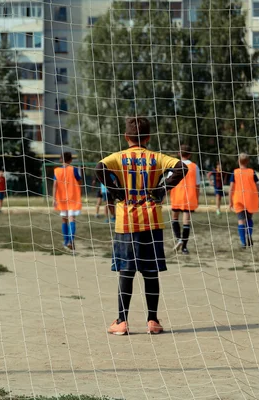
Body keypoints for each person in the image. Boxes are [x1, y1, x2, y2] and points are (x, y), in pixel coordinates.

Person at [96, 116, 187, 336]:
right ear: (148, 137)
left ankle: (121, 322)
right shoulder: (156, 158)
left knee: (126, 273)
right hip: (152, 222)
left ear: (126, 137)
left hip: (125, 223)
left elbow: (99, 168)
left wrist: (115, 190)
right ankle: (153, 321)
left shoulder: (119, 157)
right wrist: (162, 188)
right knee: (151, 273)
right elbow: (181, 168)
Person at [169, 145, 200, 255]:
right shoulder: (194, 167)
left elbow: (169, 181)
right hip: (189, 197)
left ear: (179, 153)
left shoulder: (174, 165)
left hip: (176, 196)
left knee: (174, 218)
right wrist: (197, 198)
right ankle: (184, 248)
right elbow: (197, 185)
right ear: (190, 154)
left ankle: (179, 239)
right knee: (186, 221)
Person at [229, 153, 259, 248]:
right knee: (249, 219)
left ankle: (243, 242)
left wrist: (230, 201)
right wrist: (258, 196)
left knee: (241, 221)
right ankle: (249, 235)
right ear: (248, 162)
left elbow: (231, 188)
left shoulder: (235, 172)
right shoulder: (252, 172)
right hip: (250, 198)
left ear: (238, 161)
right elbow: (258, 186)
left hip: (238, 199)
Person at [53, 152, 82, 250]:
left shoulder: (57, 171)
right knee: (71, 219)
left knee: (64, 219)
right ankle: (70, 241)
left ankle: (66, 242)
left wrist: (53, 199)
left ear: (61, 159)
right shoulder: (73, 169)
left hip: (61, 199)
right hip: (72, 198)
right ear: (71, 160)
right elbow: (79, 181)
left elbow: (54, 185)